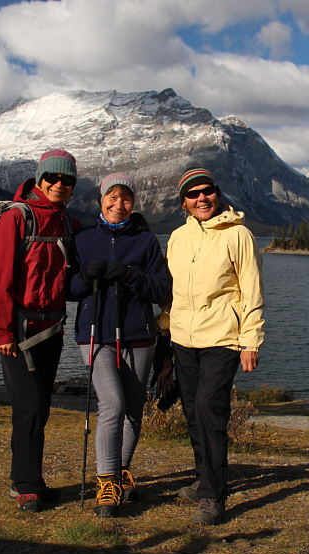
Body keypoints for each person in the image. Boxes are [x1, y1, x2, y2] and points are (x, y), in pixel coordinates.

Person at [157, 167, 265, 525]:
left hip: (223, 338)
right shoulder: (177, 238)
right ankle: (204, 477)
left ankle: (213, 496)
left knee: (209, 410)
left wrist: (250, 341)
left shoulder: (239, 235)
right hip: (183, 339)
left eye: (207, 191)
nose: (201, 198)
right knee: (191, 412)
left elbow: (252, 291)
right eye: (193, 194)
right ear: (184, 202)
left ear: (217, 194)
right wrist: (164, 330)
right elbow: (171, 292)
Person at [0, 149, 82, 513]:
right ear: (39, 179)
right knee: (28, 407)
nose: (59, 184)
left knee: (40, 407)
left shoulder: (67, 222)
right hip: (19, 332)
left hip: (51, 329)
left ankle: (32, 480)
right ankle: (23, 484)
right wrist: (2, 332)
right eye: (53, 178)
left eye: (67, 180)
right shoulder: (17, 218)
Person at [70, 173, 172, 517]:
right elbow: (68, 289)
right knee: (112, 405)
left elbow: (162, 290)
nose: (119, 204)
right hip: (95, 336)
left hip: (139, 337)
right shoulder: (82, 240)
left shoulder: (146, 242)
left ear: (134, 203)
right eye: (112, 197)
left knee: (132, 409)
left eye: (126, 198)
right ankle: (106, 484)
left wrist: (131, 276)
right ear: (100, 200)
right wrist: (86, 277)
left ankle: (121, 470)